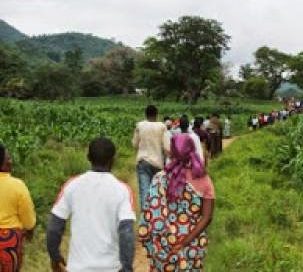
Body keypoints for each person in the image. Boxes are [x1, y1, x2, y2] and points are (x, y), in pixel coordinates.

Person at [46, 137, 135, 272]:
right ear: (113, 159)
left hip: (77, 267)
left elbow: (54, 227)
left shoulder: (72, 185)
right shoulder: (122, 190)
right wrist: (127, 267)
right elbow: (126, 233)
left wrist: (55, 256)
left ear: (88, 157)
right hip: (110, 267)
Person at [138, 134, 215, 271]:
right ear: (192, 150)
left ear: (171, 152)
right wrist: (184, 242)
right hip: (192, 245)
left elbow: (149, 214)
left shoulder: (159, 178)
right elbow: (207, 217)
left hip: (164, 245)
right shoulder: (204, 180)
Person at [0, 144, 36, 272]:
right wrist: (30, 232)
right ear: (3, 163)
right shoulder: (17, 185)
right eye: (8, 158)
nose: (11, 161)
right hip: (8, 243)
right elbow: (29, 221)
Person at [132, 105, 170, 210]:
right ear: (157, 115)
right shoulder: (162, 127)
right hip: (158, 163)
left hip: (143, 161)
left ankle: (145, 219)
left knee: (144, 190)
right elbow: (167, 147)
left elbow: (135, 144)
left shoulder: (139, 125)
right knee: (157, 191)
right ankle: (156, 216)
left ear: (146, 114)